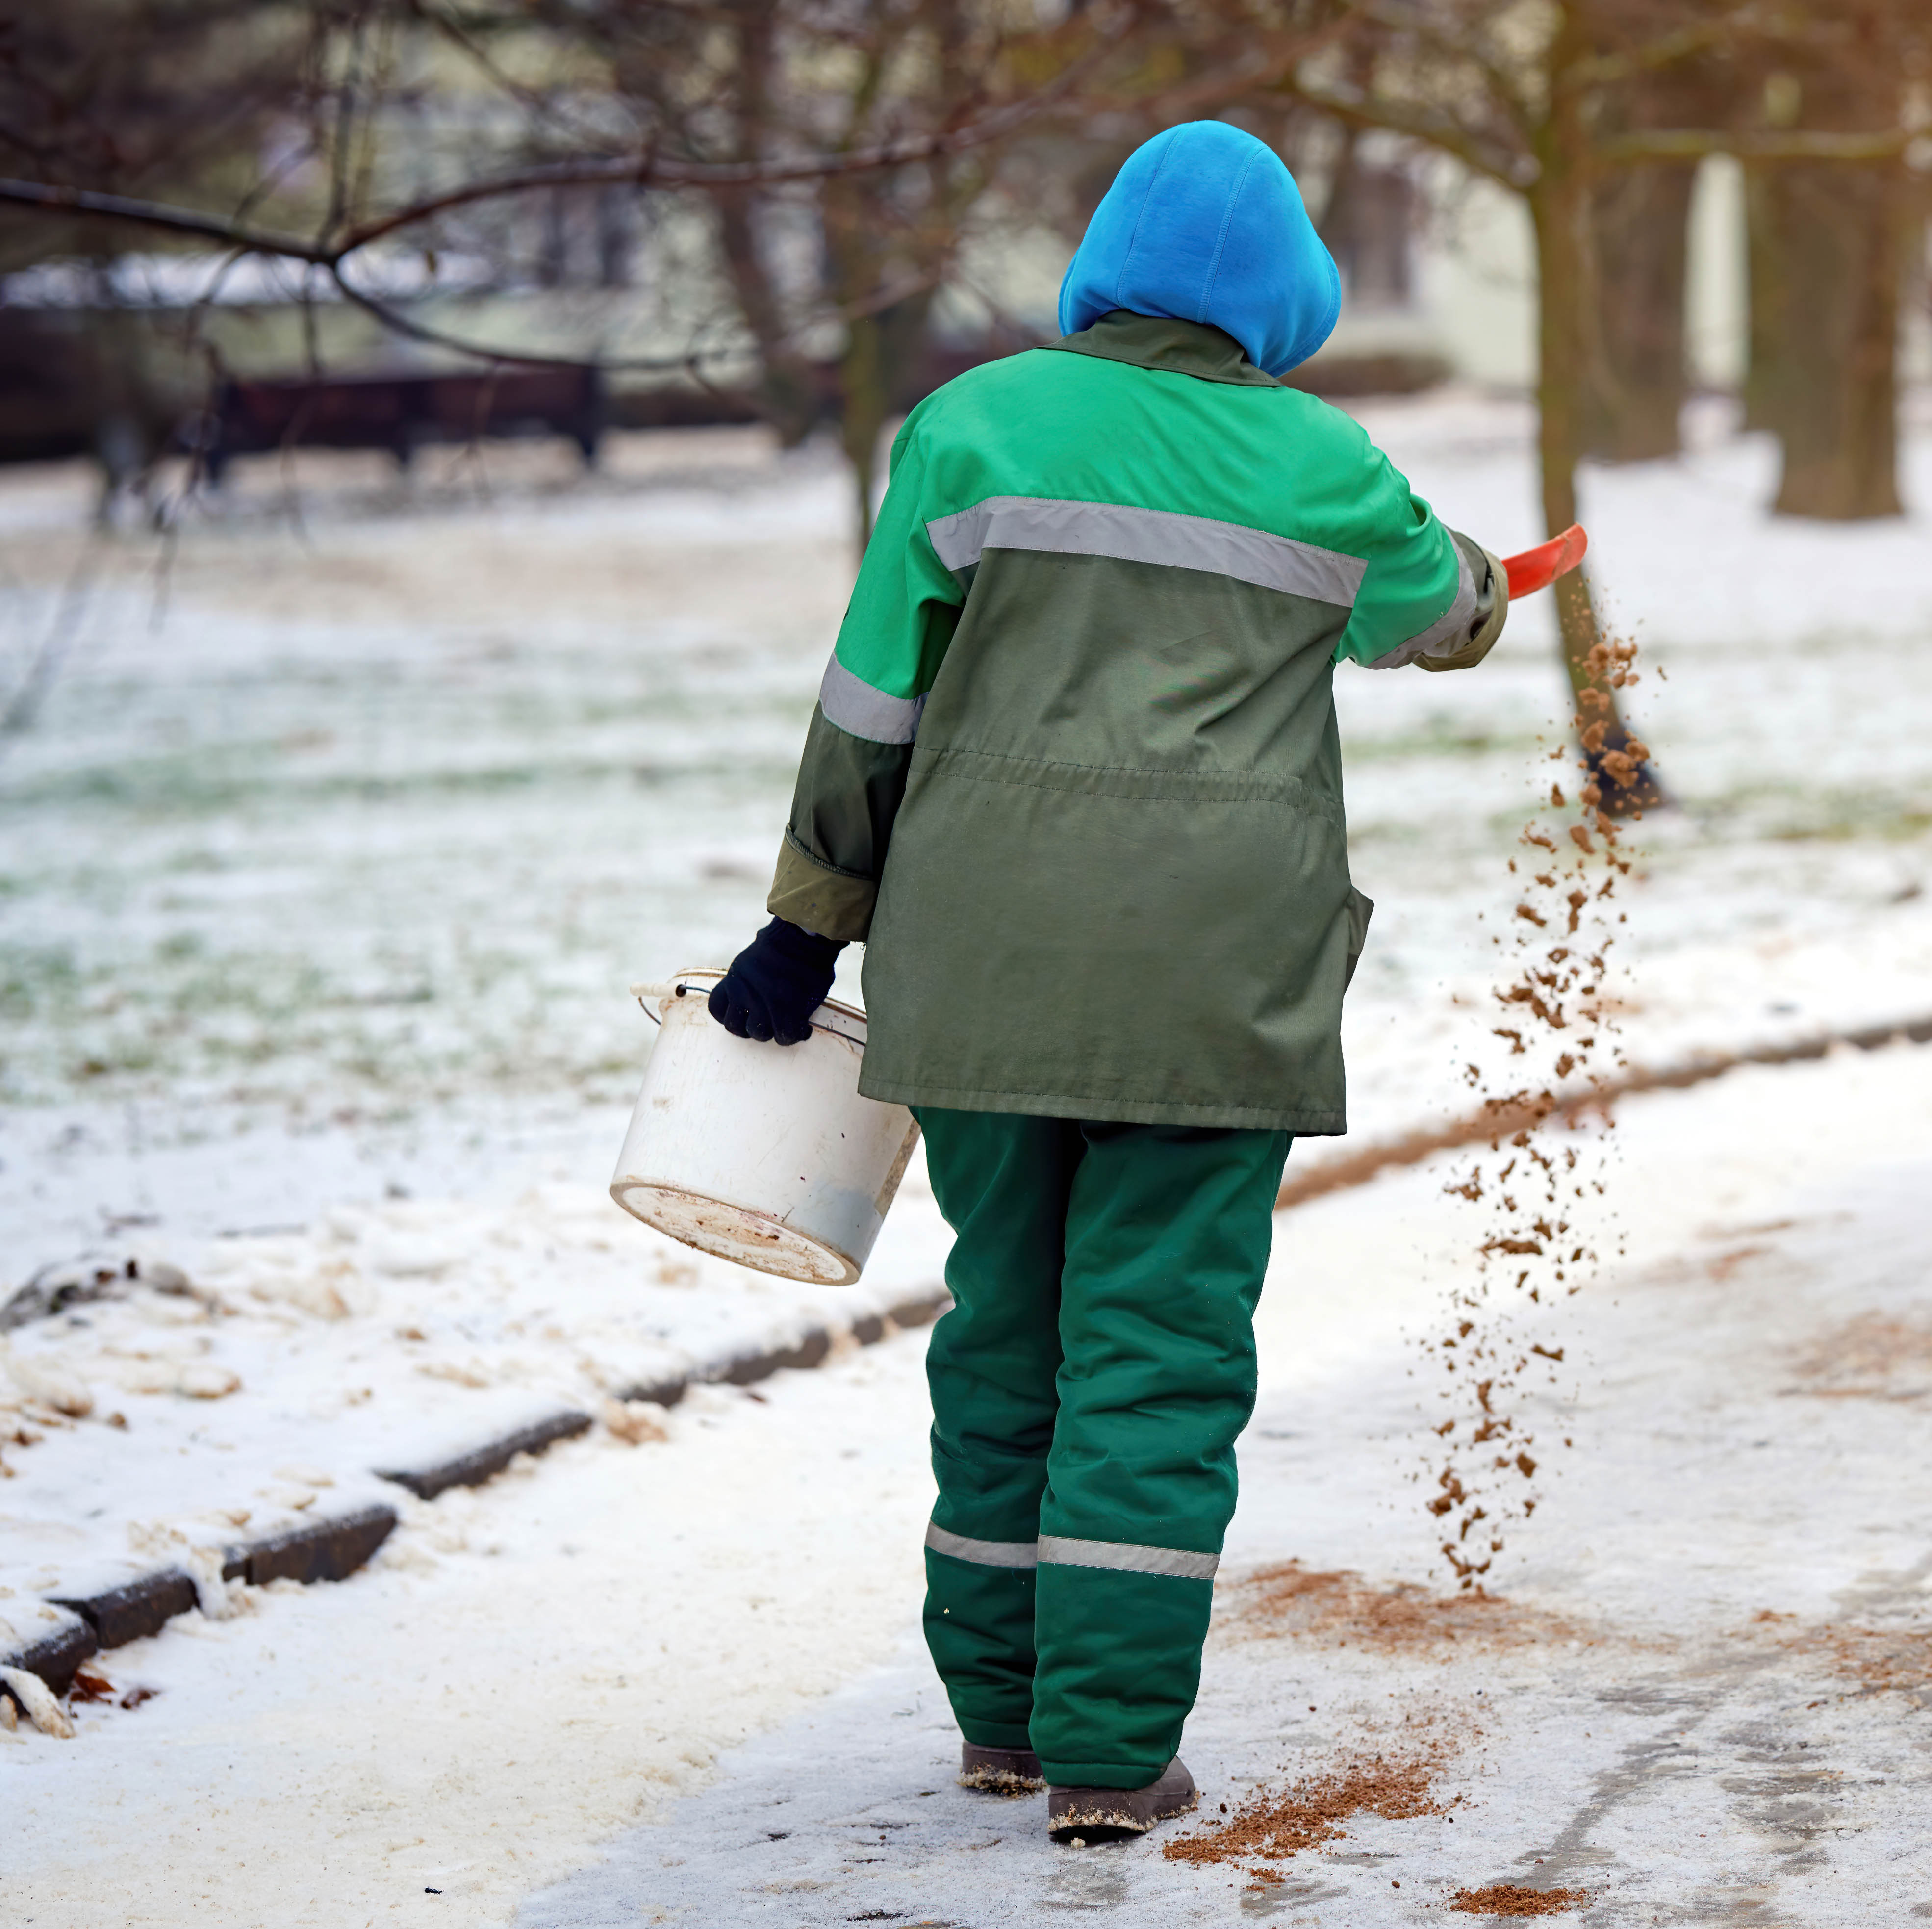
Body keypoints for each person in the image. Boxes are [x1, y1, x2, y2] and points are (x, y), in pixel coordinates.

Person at [704, 120, 1507, 1847]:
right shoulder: (1322, 463)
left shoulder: (976, 426)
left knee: (1008, 1325)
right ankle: (1109, 1754)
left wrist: (809, 917)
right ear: (1292, 297)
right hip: (1213, 987)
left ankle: (1000, 1719)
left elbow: (871, 701)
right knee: (1153, 1346)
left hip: (980, 970)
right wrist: (1503, 587)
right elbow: (1441, 613)